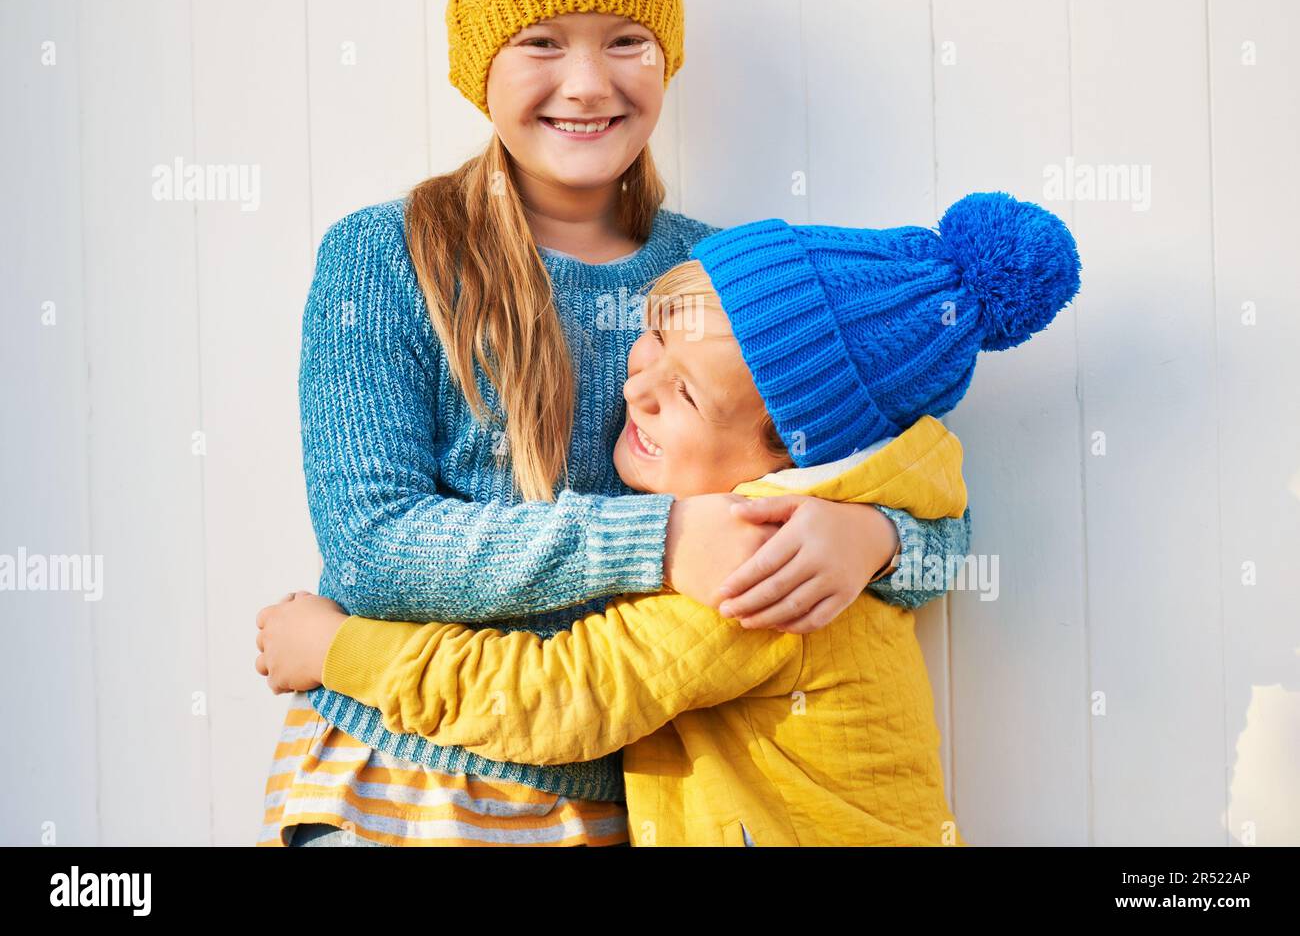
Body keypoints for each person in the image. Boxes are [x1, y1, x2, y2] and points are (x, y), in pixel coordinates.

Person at [255, 0, 971, 847]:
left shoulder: (729, 277)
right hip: (403, 773)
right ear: (477, 66)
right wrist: (668, 536)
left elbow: (941, 515)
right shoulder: (386, 256)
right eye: (541, 42)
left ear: (666, 56)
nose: (587, 82)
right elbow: (373, 549)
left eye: (626, 40)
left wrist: (872, 537)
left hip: (629, 798)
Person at [257, 192, 1081, 846]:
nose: (633, 386)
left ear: (789, 458)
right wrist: (875, 534)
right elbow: (374, 541)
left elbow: (561, 694)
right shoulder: (808, 506)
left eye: (685, 393)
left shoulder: (761, 569)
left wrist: (337, 650)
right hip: (398, 789)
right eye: (650, 336)